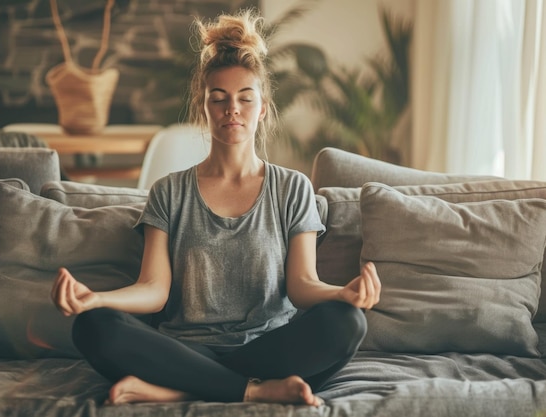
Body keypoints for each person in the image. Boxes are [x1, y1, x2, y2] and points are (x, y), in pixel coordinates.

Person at [51, 8, 381, 407]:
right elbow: (154, 290)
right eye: (218, 98)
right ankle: (253, 391)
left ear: (262, 109)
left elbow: (301, 286)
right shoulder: (169, 191)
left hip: (267, 348)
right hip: (183, 350)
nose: (232, 109)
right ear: (203, 106)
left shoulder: (292, 188)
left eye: (245, 98)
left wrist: (342, 294)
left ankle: (177, 389)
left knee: (346, 323)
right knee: (93, 327)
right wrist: (97, 299)